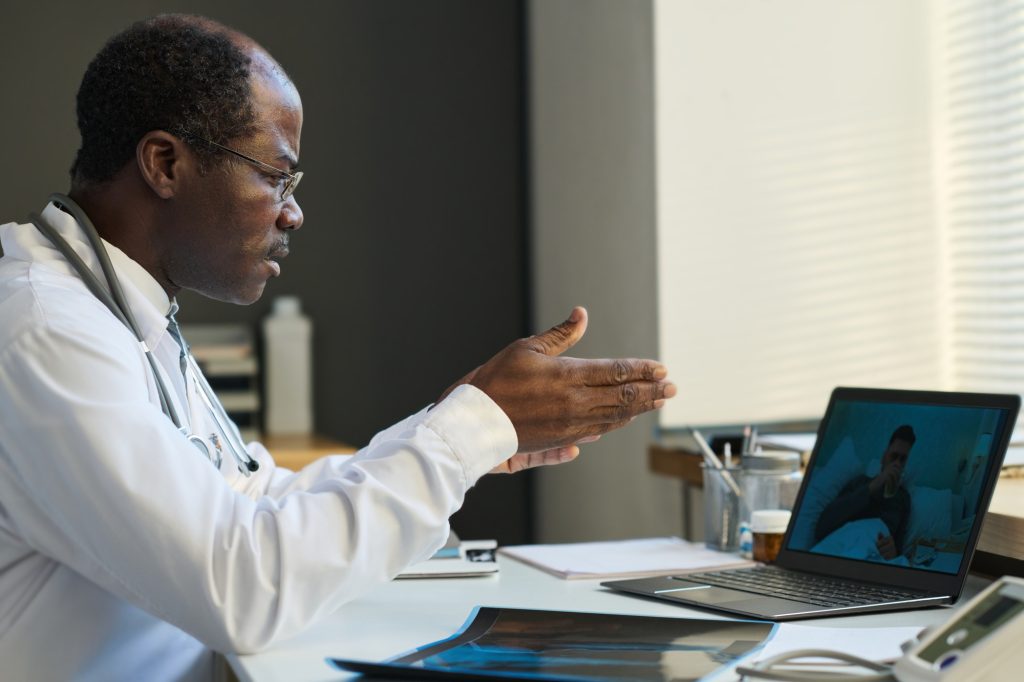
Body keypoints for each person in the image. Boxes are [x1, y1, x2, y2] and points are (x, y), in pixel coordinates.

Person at [0, 15, 675, 681]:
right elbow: (243, 588)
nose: (292, 212)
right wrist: (463, 434)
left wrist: (452, 431)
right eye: (275, 176)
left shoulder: (117, 310)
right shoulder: (47, 332)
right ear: (166, 163)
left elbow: (251, 495)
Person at [814, 425, 916, 560]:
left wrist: (894, 552)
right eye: (894, 456)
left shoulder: (903, 498)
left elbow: (899, 549)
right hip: (846, 548)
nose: (897, 463)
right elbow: (823, 526)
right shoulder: (860, 482)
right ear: (884, 456)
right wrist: (875, 484)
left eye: (902, 459)